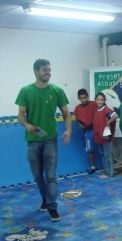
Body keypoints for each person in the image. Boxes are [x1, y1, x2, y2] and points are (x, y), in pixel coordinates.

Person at [15, 58, 71, 222]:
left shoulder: (57, 90)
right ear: (36, 71)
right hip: (32, 140)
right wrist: (26, 125)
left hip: (50, 140)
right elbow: (21, 114)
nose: (48, 73)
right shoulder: (25, 91)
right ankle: (45, 200)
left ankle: (52, 207)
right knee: (38, 175)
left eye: (49, 70)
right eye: (45, 70)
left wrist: (68, 129)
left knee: (51, 175)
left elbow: (66, 113)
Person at [93, 92, 118, 177]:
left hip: (106, 137)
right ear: (95, 100)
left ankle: (110, 173)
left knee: (108, 155)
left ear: (104, 101)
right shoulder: (96, 110)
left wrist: (108, 122)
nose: (100, 101)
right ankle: (106, 171)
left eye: (102, 100)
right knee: (103, 155)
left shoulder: (106, 109)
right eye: (98, 100)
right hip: (100, 137)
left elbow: (115, 116)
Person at [74, 88, 97, 174]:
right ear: (79, 99)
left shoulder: (94, 104)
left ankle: (108, 167)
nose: (83, 100)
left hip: (97, 128)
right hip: (86, 130)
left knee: (103, 148)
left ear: (87, 97)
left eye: (84, 97)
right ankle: (92, 167)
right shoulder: (77, 108)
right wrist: (80, 124)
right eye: (81, 98)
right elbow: (78, 120)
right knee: (89, 149)